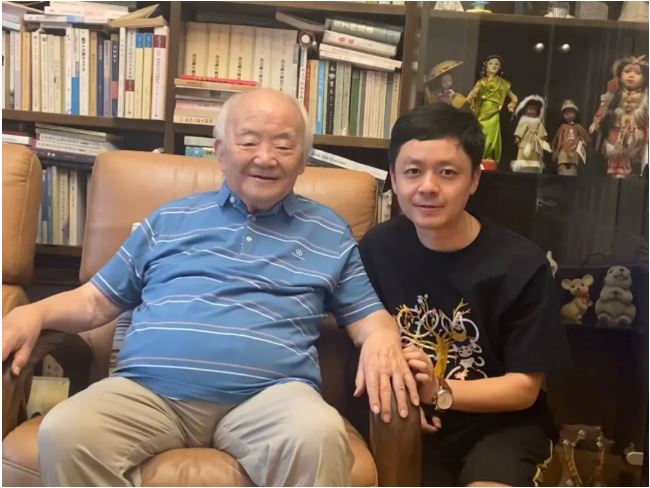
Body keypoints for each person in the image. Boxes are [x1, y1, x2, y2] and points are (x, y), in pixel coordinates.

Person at [2, 88, 419, 487]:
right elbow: (95, 301)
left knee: (319, 435)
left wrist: (382, 338)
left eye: (284, 145)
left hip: (270, 401)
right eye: (248, 141)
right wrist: (31, 313)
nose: (265, 158)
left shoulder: (328, 231)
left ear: (303, 160)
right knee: (66, 431)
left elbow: (368, 316)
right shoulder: (169, 220)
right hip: (149, 393)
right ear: (219, 150)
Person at [359, 103, 571, 486]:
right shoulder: (377, 248)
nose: (428, 187)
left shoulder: (521, 264)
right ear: (393, 178)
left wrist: (437, 391)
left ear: (474, 179)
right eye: (412, 171)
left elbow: (524, 388)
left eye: (448, 172)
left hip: (502, 424)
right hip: (415, 420)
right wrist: (404, 395)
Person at [589, 54, 648, 177]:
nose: (631, 75)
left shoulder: (646, 97)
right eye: (627, 71)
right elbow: (604, 108)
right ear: (620, 75)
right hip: (616, 130)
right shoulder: (614, 94)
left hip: (635, 133)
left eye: (637, 73)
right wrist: (597, 121)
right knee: (613, 151)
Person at [466, 55, 518, 170]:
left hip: (494, 112)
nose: (494, 66)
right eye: (491, 63)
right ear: (486, 66)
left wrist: (512, 104)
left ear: (500, 68)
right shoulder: (481, 82)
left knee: (491, 133)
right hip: (482, 111)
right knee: (481, 132)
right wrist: (474, 94)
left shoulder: (503, 83)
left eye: (496, 64)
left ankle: (489, 156)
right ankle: (479, 154)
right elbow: (468, 98)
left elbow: (514, 97)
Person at [552, 99, 590, 176]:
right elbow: (555, 140)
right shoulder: (562, 127)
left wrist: (583, 142)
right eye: (566, 113)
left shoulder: (578, 127)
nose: (568, 114)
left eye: (571, 112)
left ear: (575, 114)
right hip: (563, 152)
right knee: (562, 167)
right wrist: (554, 151)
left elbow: (586, 138)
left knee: (573, 169)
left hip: (574, 153)